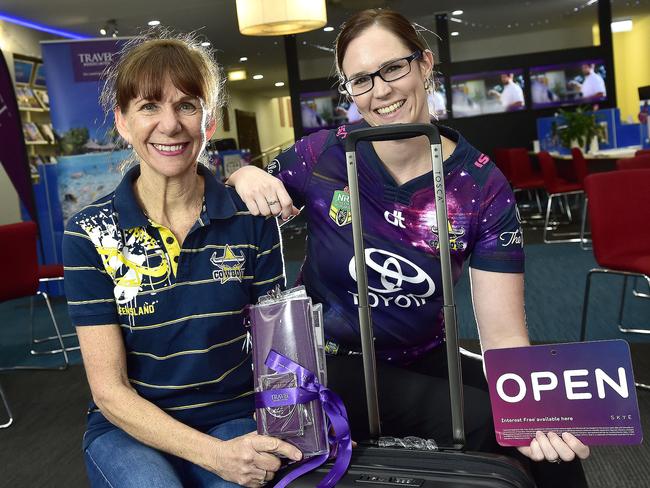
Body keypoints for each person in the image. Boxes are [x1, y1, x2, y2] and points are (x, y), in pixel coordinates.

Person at [227, 8, 590, 487]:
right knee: (485, 421)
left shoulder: (479, 183)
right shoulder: (322, 157)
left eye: (393, 68)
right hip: (326, 360)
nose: (380, 91)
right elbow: (230, 196)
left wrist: (532, 409)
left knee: (552, 440)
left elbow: (502, 334)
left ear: (424, 64)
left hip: (422, 351)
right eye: (360, 80)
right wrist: (242, 173)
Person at [62, 32, 301, 488]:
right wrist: (214, 456)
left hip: (232, 417)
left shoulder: (250, 220)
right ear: (123, 122)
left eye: (187, 105)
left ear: (208, 122)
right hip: (129, 429)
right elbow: (110, 394)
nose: (169, 125)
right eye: (149, 106)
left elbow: (280, 357)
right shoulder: (90, 233)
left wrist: (287, 431)